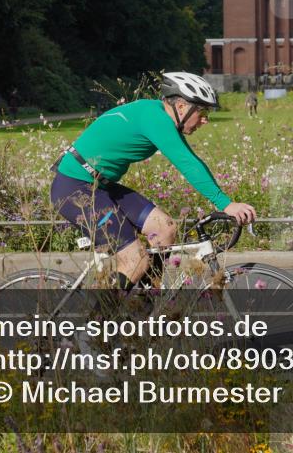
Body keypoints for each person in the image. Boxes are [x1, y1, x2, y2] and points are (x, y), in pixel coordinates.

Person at [49, 72, 256, 294]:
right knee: (135, 259)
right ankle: (97, 325)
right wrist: (225, 204)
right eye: (203, 111)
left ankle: (146, 306)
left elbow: (190, 159)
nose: (205, 119)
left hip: (101, 187)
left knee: (164, 229)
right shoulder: (155, 118)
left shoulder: (157, 115)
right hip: (74, 188)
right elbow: (188, 163)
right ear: (182, 107)